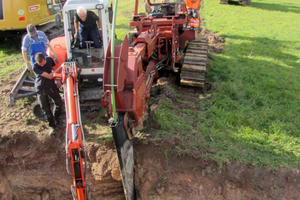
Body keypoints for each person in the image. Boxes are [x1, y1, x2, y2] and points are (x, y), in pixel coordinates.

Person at [33, 52, 63, 136]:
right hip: (41, 88)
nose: (41, 66)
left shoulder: (49, 60)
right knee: (46, 109)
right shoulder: (35, 67)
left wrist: (58, 80)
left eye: (42, 64)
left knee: (59, 103)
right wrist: (60, 67)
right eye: (40, 64)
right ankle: (52, 126)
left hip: (51, 86)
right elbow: (50, 76)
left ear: (45, 59)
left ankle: (56, 119)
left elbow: (53, 69)